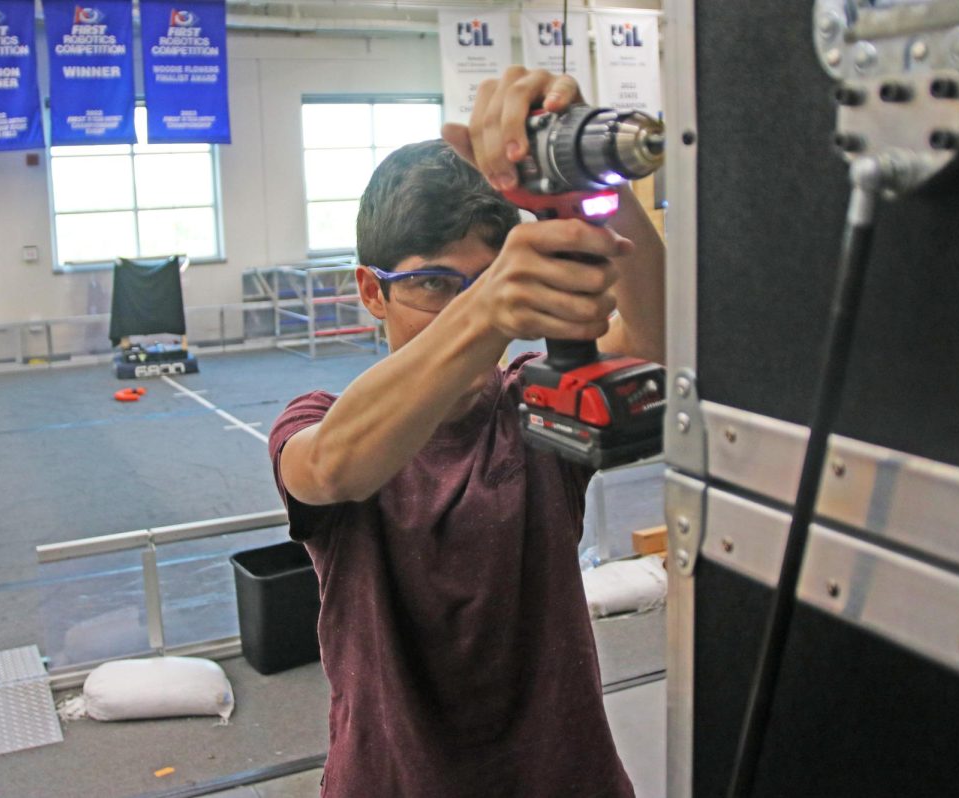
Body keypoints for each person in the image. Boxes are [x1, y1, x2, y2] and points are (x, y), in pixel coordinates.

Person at [268, 67, 665, 797]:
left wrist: (584, 170)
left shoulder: (533, 407)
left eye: (488, 279)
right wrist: (488, 311)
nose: (469, 307)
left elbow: (659, 339)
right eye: (433, 285)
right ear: (370, 291)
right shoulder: (320, 420)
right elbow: (331, 469)